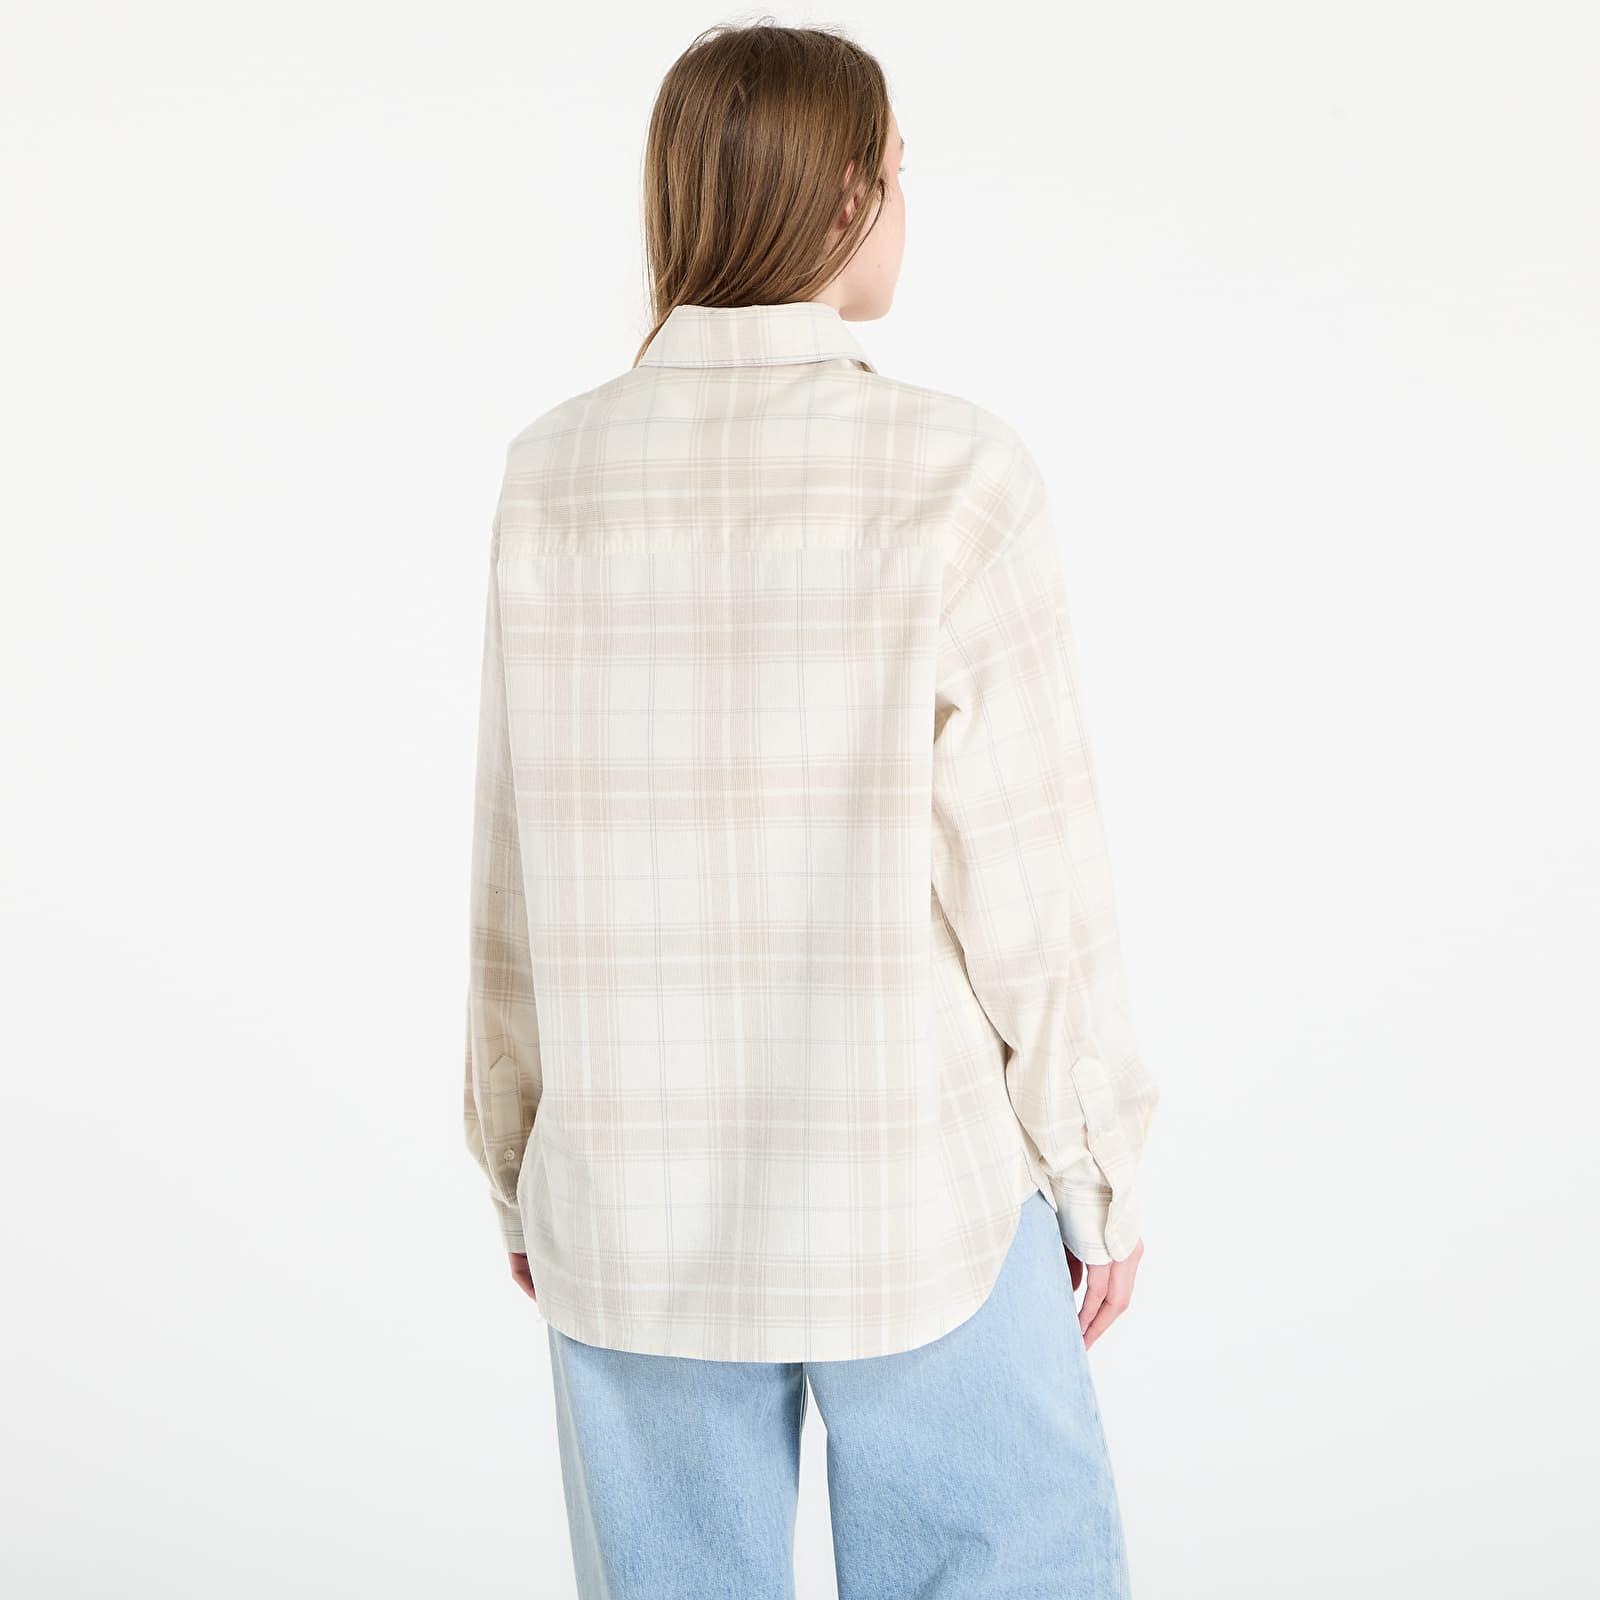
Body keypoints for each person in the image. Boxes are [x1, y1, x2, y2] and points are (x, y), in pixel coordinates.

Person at [463, 20, 1161, 1599]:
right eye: (901, 172)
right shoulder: (955, 475)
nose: (908, 202)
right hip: (919, 1188)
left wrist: (518, 1156)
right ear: (847, 196)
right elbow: (1031, 877)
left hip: (628, 1196)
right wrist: (1097, 1168)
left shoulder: (551, 477)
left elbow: (512, 863)